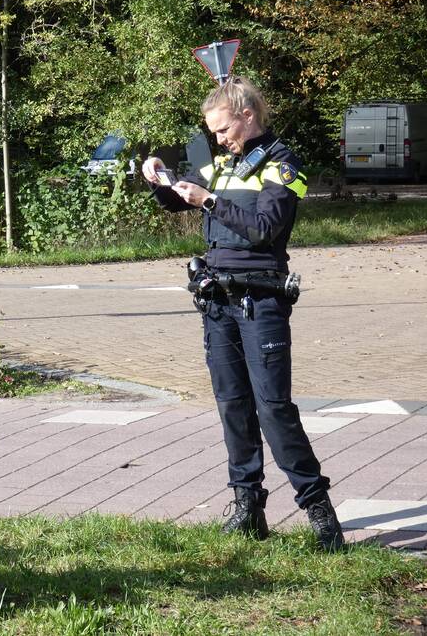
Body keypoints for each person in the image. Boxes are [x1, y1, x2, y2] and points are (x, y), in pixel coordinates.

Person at [141, 76, 344, 551]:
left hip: (261, 300)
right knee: (232, 405)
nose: (218, 139)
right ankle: (247, 508)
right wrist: (158, 177)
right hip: (218, 301)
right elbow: (178, 198)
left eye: (222, 129)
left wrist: (208, 200)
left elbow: (264, 228)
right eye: (212, 133)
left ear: (247, 115)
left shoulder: (283, 163)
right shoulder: (225, 164)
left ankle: (321, 515)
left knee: (273, 408)